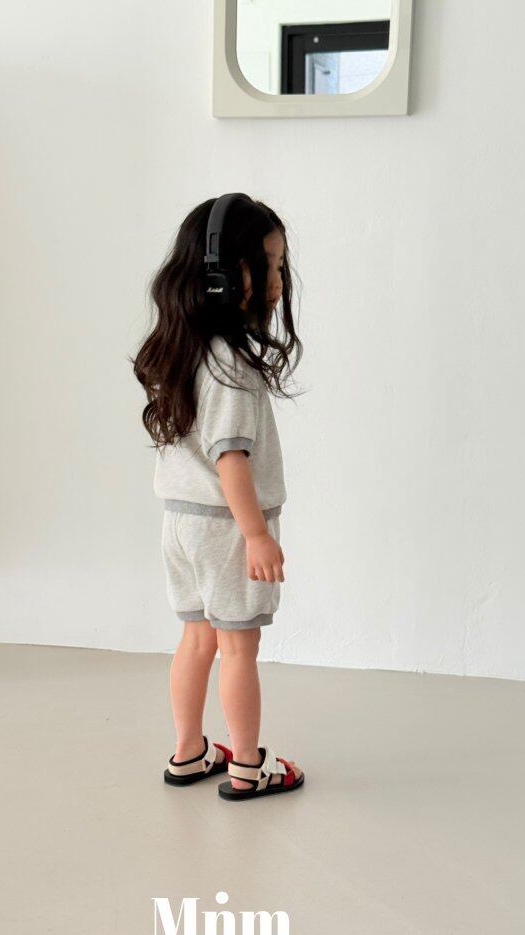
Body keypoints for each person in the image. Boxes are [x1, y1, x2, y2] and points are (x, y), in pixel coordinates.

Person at [131, 195, 306, 800]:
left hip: (180, 524)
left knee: (196, 638)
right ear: (224, 273)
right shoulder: (232, 365)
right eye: (269, 265)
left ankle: (188, 752)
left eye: (281, 265)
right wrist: (256, 534)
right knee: (238, 647)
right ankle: (249, 765)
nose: (279, 281)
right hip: (227, 529)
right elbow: (231, 458)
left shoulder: (179, 348)